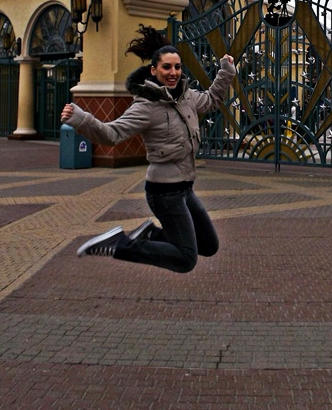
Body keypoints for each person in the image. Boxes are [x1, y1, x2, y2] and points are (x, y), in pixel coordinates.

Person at [61, 24, 235, 273]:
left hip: (185, 188)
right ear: (154, 70)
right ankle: (120, 244)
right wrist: (81, 119)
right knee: (186, 259)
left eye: (177, 67)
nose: (173, 73)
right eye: (167, 67)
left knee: (208, 244)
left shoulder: (186, 97)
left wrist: (226, 71)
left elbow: (211, 99)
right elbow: (112, 134)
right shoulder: (146, 107)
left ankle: (150, 234)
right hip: (164, 192)